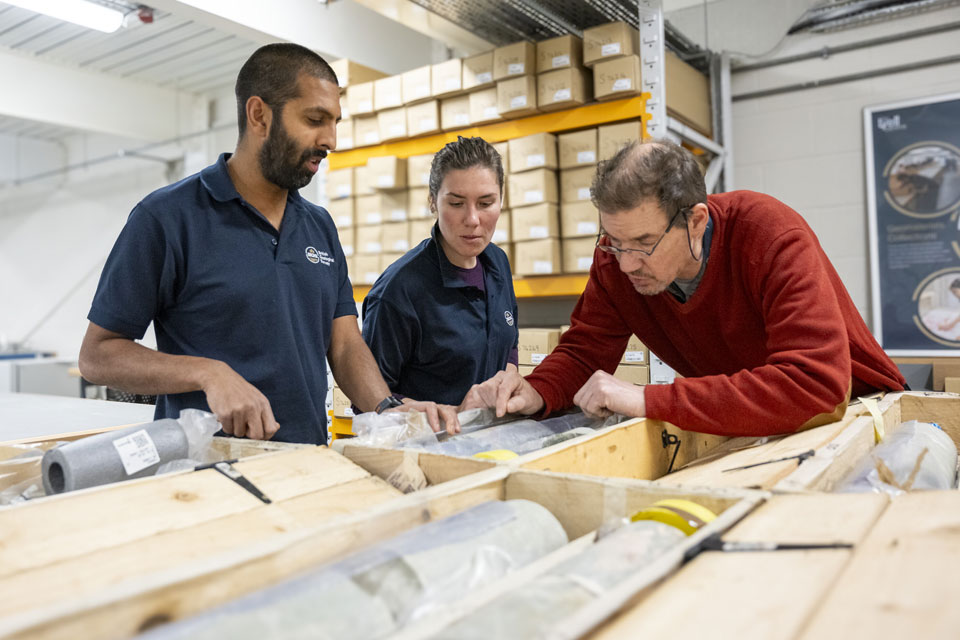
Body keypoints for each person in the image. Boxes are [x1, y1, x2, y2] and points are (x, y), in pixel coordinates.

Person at [78, 43, 458, 444]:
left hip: (306, 464)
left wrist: (387, 409)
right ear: (259, 114)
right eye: (315, 119)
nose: (330, 139)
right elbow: (97, 355)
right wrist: (208, 373)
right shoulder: (167, 218)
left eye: (335, 122)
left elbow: (344, 343)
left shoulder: (319, 226)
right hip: (206, 476)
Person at [462, 140, 906, 437]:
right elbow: (584, 351)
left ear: (696, 221)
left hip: (855, 417)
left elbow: (815, 385)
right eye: (614, 241)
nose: (627, 262)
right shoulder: (615, 260)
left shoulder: (770, 235)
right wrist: (537, 391)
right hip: (751, 423)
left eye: (643, 243)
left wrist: (649, 398)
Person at [361, 136, 519, 406]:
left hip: (494, 442)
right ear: (433, 202)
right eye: (456, 204)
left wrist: (509, 379)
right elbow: (368, 401)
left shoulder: (498, 263)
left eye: (485, 203)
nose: (472, 219)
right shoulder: (399, 291)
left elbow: (509, 345)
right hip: (426, 446)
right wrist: (451, 415)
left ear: (501, 200)